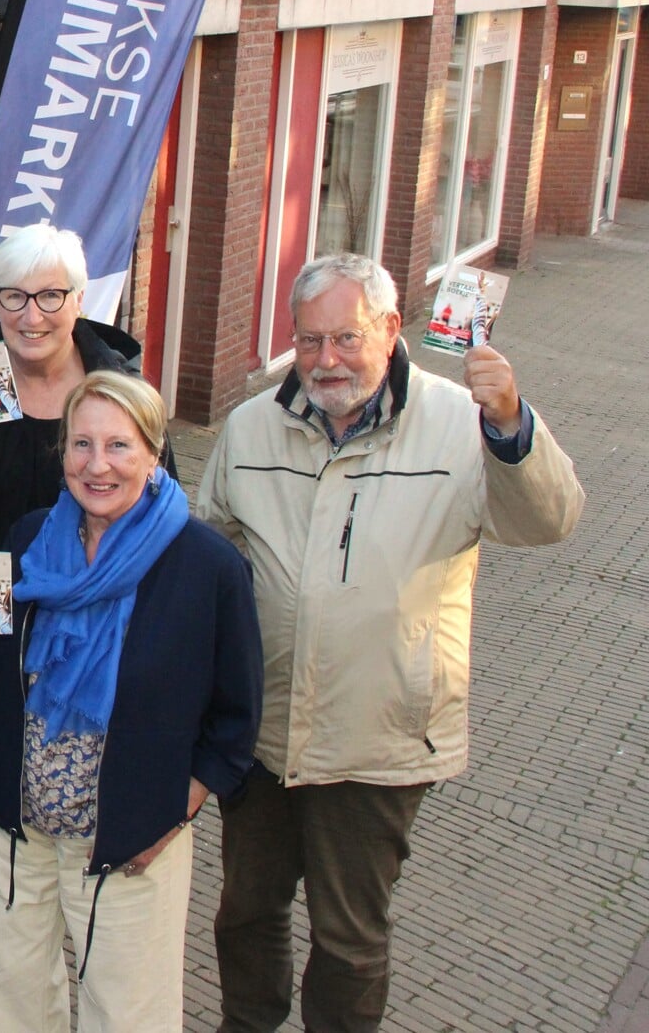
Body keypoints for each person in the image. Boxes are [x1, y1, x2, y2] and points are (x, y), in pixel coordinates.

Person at [197, 253, 584, 1032]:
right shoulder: (250, 425)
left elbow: (548, 521)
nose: (325, 361)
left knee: (347, 937)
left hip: (380, 737)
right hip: (264, 731)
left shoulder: (458, 422)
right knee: (246, 913)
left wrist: (511, 424)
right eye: (308, 342)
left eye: (344, 339)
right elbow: (213, 544)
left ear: (389, 327)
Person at [0, 223, 175, 1031]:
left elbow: (156, 492)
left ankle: (68, 959)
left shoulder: (113, 377)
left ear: (80, 300)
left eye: (50, 296)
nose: (32, 314)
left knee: (66, 789)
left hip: (85, 614)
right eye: (13, 296)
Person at [0, 371, 262, 1031]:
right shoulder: (27, 540)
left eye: (118, 446)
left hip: (130, 834)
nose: (97, 465)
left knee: (125, 1012)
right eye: (81, 445)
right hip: (19, 831)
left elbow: (235, 717)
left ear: (153, 450)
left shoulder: (209, 567)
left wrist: (173, 810)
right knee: (18, 1003)